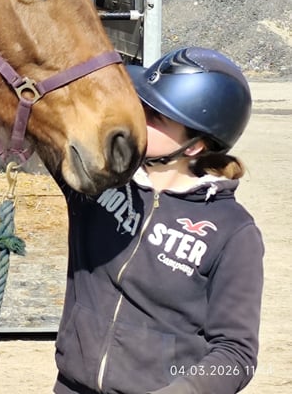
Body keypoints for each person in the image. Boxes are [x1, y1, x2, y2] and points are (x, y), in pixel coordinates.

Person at [53, 46, 264, 394]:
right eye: (143, 107)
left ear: (194, 145)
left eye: (157, 117)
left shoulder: (233, 232)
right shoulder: (99, 181)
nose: (140, 118)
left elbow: (236, 353)